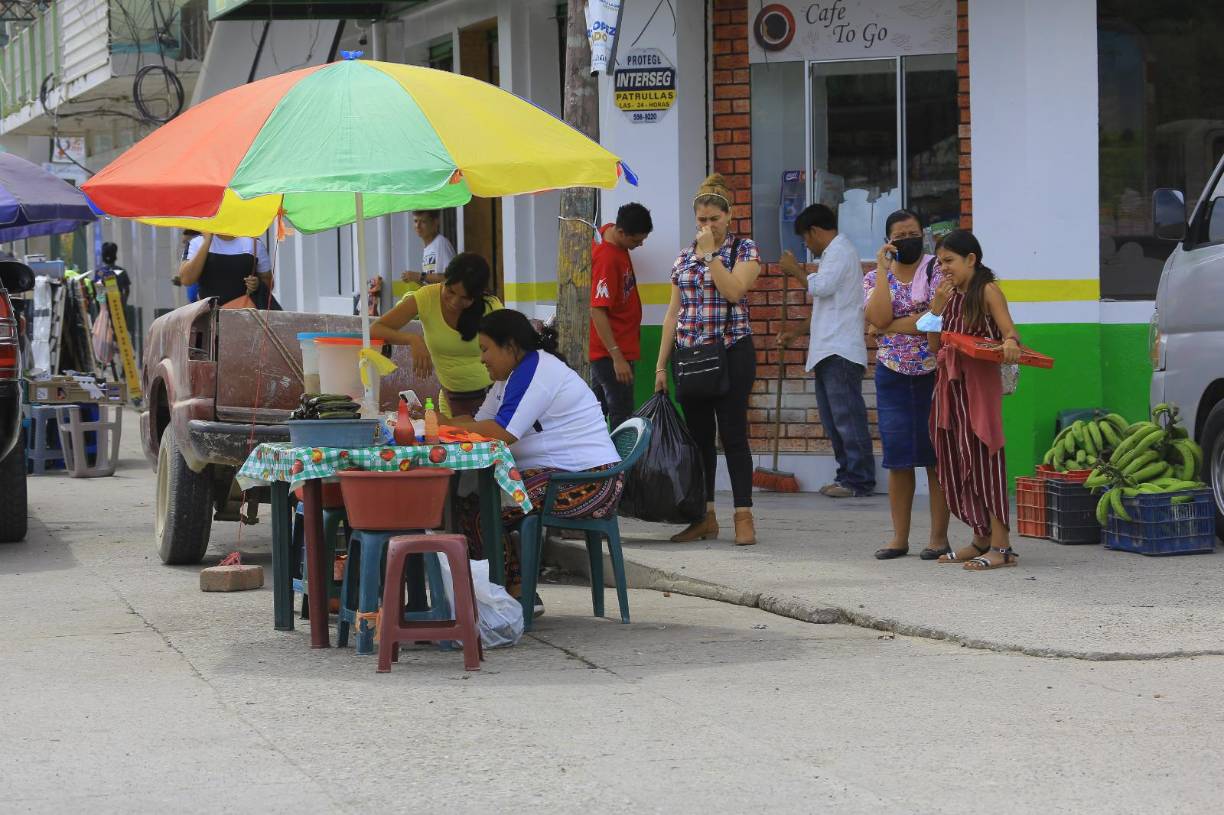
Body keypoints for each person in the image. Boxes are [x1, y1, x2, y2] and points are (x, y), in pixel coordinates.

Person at [449, 309, 624, 613]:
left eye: (486, 349)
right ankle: (512, 592)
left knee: (483, 508)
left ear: (511, 346)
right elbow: (479, 424)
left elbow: (500, 434)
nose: (482, 359)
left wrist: (443, 427)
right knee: (472, 501)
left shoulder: (537, 372)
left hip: (590, 482)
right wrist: (444, 423)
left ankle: (514, 598)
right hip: (559, 477)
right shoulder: (509, 379)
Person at [654, 174, 762, 546]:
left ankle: (743, 515)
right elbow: (673, 313)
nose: (707, 226)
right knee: (699, 440)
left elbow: (734, 292)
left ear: (729, 217)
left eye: (714, 219)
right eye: (701, 220)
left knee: (732, 434)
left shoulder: (742, 250)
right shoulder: (683, 258)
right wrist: (660, 365)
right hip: (691, 355)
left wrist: (712, 255)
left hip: (731, 351)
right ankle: (705, 515)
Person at [927, 230, 1021, 571]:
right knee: (955, 459)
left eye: (949, 261)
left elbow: (1009, 332)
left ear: (971, 259)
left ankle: (1001, 546)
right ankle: (980, 538)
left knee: (985, 457)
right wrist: (935, 310)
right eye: (940, 263)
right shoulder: (948, 297)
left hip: (979, 388)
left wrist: (1010, 343)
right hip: (949, 388)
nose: (944, 269)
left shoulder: (987, 291)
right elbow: (935, 348)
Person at [863, 209, 952, 561]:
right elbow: (879, 315)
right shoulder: (873, 277)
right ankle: (899, 538)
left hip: (934, 371)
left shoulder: (936, 269)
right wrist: (884, 272)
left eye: (913, 232)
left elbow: (937, 316)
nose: (908, 239)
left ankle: (938, 539)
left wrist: (889, 326)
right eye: (900, 235)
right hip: (892, 373)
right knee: (898, 460)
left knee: (936, 458)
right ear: (888, 242)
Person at [778, 203, 875, 499]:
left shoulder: (840, 250)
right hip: (828, 349)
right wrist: (795, 333)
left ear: (815, 231)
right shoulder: (835, 254)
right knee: (834, 421)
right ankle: (846, 475)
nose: (807, 245)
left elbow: (821, 287)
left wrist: (795, 270)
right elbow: (826, 305)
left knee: (847, 418)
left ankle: (859, 480)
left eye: (806, 239)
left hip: (840, 351)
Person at [371, 252, 502, 417]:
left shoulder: (492, 306)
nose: (454, 302)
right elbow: (375, 329)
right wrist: (413, 339)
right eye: (451, 291)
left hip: (492, 401)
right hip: (450, 402)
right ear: (444, 280)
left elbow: (509, 353)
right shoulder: (426, 297)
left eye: (465, 298)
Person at [589, 202, 653, 430]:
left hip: (616, 349)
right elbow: (597, 310)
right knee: (622, 416)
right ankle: (621, 465)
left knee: (596, 412)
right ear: (621, 232)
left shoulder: (610, 233)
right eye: (636, 240)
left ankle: (601, 462)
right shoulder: (607, 259)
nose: (640, 244)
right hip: (611, 353)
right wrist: (617, 357)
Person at [178, 232, 279, 310]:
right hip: (208, 316)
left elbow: (269, 283)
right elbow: (186, 280)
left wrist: (257, 284)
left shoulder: (254, 244)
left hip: (244, 315)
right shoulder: (197, 242)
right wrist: (207, 241)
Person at [400, 210, 455, 290]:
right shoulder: (428, 248)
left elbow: (452, 277)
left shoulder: (441, 243)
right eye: (415, 221)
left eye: (423, 221)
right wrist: (414, 278)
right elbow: (429, 284)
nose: (418, 226)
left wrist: (419, 276)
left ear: (435, 222)